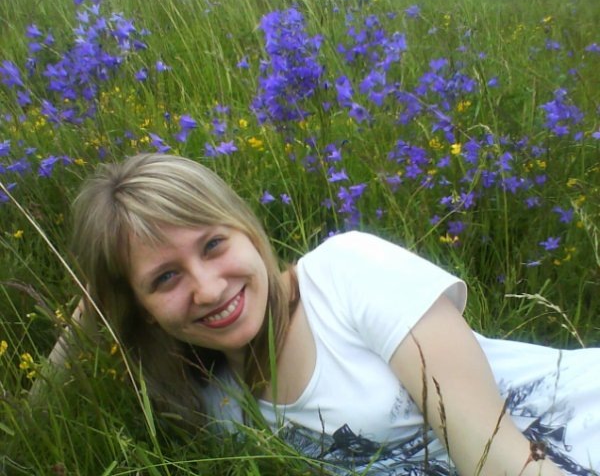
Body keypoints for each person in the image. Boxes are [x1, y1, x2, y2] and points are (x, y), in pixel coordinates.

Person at [56, 152, 599, 475]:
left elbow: (501, 464)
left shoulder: (345, 274)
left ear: (248, 230)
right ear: (143, 311)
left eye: (214, 244)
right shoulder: (214, 402)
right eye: (165, 278)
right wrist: (94, 305)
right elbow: (31, 421)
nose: (208, 288)